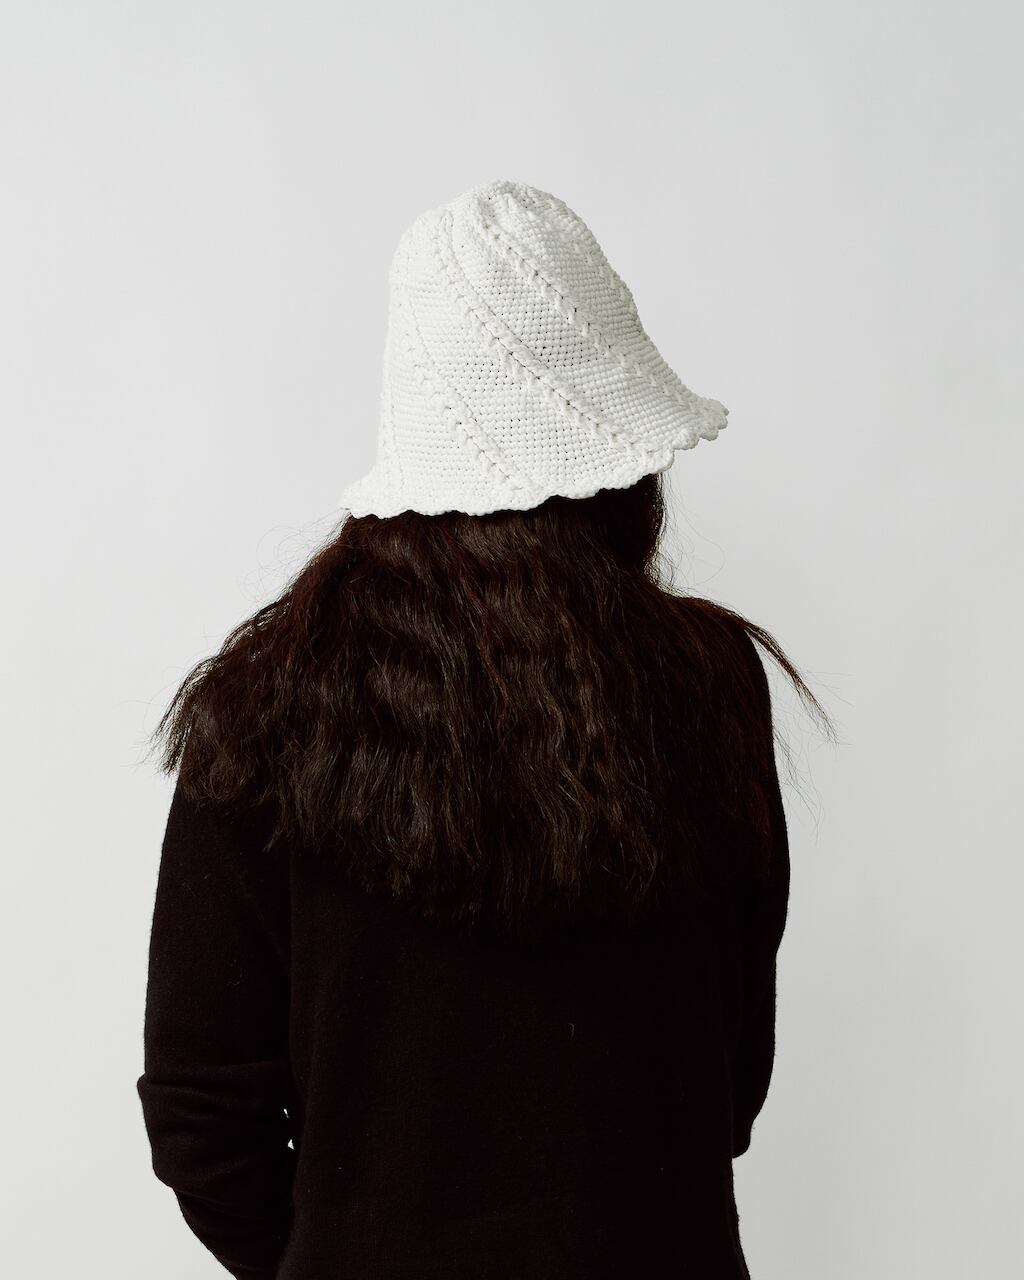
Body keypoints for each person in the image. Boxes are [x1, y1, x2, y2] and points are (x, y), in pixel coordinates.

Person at [136, 180, 834, 1279]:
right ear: (620, 468)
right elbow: (733, 1065)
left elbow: (202, 1114)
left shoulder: (264, 706)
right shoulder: (711, 682)